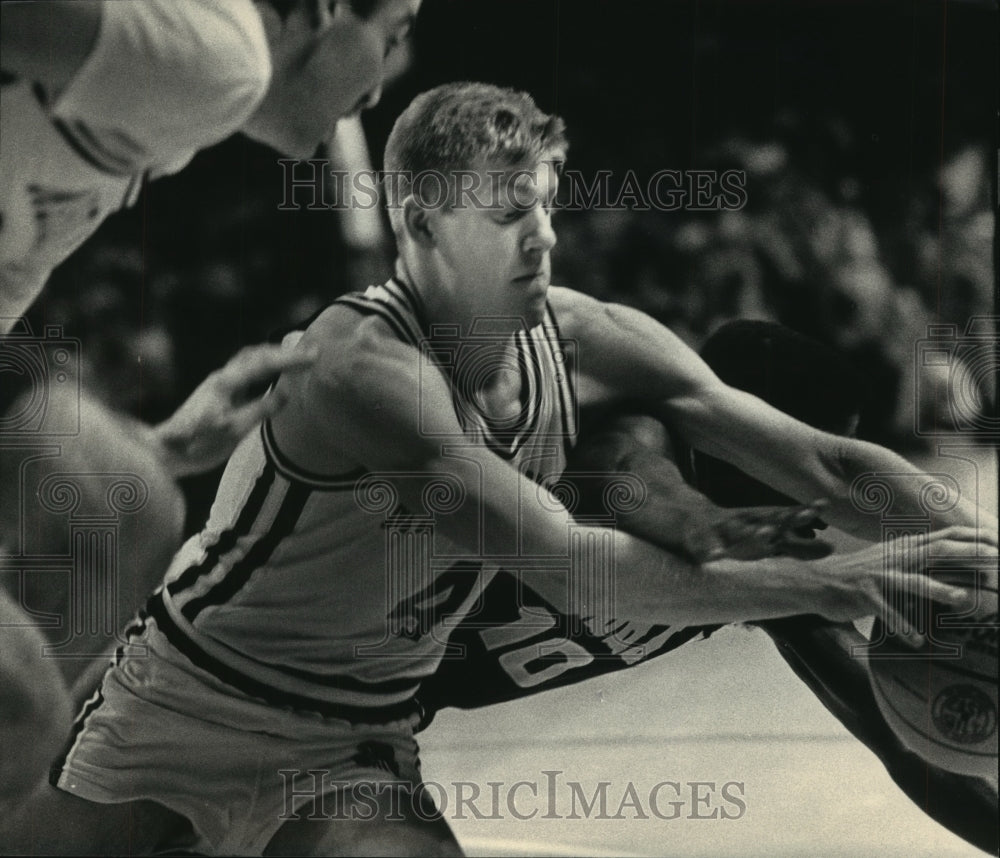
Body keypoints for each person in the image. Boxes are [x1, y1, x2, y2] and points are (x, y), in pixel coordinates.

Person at [11, 82, 995, 856]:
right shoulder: (414, 385)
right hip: (197, 684)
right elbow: (585, 551)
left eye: (545, 209)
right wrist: (824, 583)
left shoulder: (601, 358)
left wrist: (980, 558)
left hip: (357, 726)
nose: (542, 237)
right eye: (508, 215)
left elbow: (827, 475)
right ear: (423, 224)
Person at [0, 0, 420, 827]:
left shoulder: (178, 115)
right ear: (329, 12)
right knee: (16, 701)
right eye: (394, 34)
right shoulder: (217, 59)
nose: (383, 88)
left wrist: (157, 442)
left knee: (126, 503)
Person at [419, 319, 998, 855]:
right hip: (340, 684)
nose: (813, 504)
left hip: (391, 714)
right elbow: (619, 475)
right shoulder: (635, 435)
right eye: (788, 456)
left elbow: (899, 739)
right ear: (740, 436)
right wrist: (703, 524)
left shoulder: (768, 565)